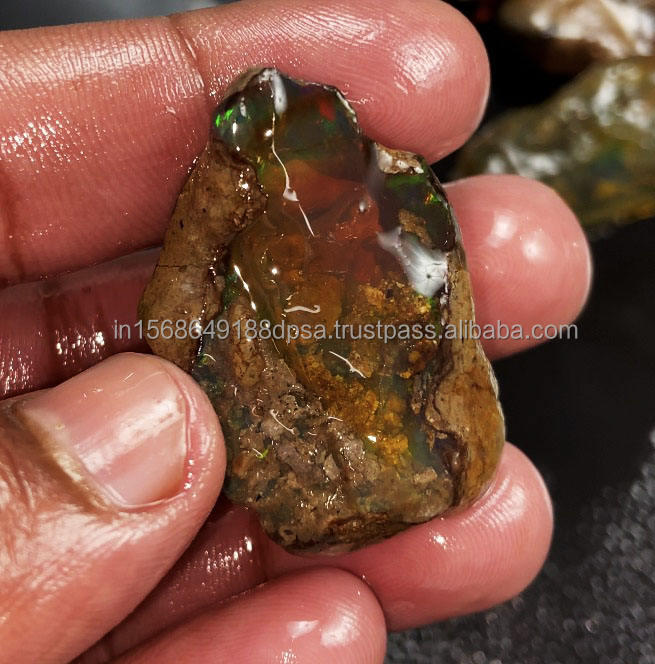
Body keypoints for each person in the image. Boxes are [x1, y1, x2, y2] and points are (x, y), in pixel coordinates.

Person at [0, 1, 592, 662]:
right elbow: (187, 306)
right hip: (334, 459)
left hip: (410, 451)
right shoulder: (304, 206)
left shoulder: (396, 200)